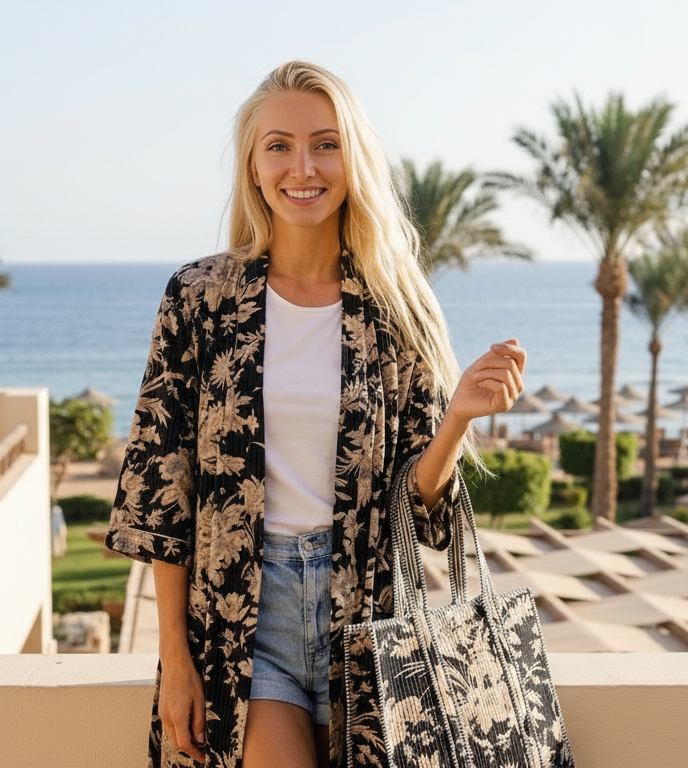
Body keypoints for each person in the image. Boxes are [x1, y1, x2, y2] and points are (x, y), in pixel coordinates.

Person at [104, 60, 526, 768]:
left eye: (325, 143)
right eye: (279, 145)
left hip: (370, 613)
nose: (303, 166)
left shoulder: (396, 308)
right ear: (254, 165)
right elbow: (159, 490)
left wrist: (457, 421)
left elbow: (420, 506)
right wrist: (173, 659)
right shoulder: (200, 298)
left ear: (352, 157)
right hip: (244, 618)